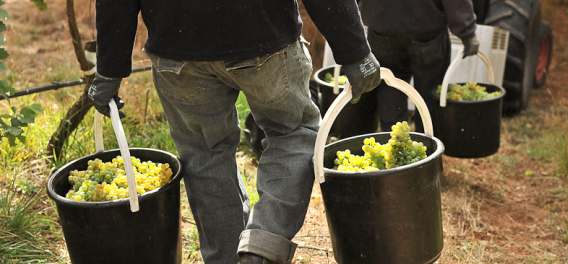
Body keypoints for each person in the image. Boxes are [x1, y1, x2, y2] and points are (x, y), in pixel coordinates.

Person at [87, 1, 381, 263]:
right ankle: (262, 248)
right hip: (263, 35)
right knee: (294, 133)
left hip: (177, 48)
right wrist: (354, 50)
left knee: (205, 154)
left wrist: (109, 70)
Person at [358, 0, 480, 133]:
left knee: (390, 87)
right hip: (426, 28)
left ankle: (394, 144)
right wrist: (467, 31)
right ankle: (428, 146)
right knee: (430, 91)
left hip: (382, 24)